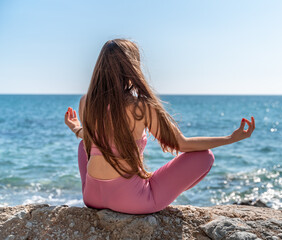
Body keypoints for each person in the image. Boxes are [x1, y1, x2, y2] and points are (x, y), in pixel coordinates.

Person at [64, 39, 255, 214]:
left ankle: (123, 189)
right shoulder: (141, 107)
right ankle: (158, 191)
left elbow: (90, 138)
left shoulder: (86, 101)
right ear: (133, 68)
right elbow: (181, 144)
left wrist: (75, 128)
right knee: (205, 156)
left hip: (93, 198)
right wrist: (230, 139)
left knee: (84, 146)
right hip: (129, 201)